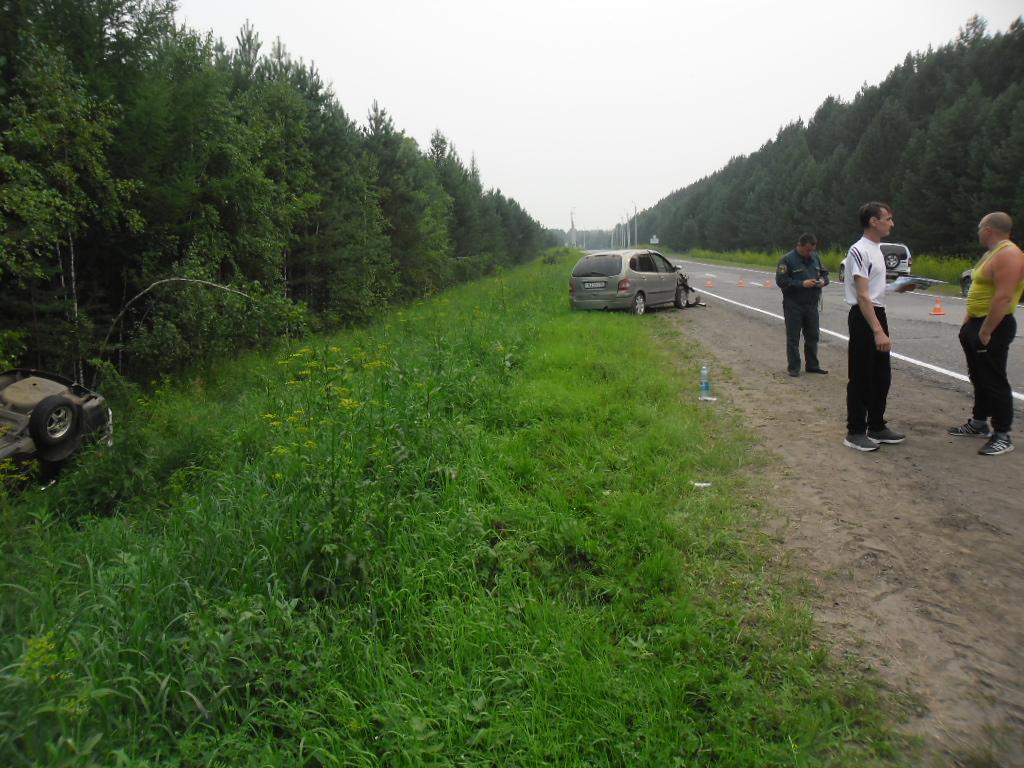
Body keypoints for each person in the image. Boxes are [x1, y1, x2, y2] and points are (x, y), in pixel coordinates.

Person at [947, 211, 1024, 455]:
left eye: (980, 228)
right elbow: (978, 291)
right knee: (978, 377)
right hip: (976, 324)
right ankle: (979, 423)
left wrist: (986, 331)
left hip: (994, 326)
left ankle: (1003, 434)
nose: (978, 232)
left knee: (994, 379)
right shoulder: (990, 254)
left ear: (989, 229)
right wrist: (967, 324)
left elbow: (1004, 296)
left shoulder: (1009, 254)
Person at [843, 202, 914, 452]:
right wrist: (877, 330)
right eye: (888, 219)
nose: (892, 223)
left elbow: (875, 288)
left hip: (877, 312)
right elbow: (863, 296)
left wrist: (899, 287)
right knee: (861, 375)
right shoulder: (858, 250)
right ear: (874, 221)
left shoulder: (877, 249)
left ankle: (876, 425)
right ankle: (855, 431)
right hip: (865, 317)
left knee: (881, 376)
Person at [777, 233, 829, 376]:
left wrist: (823, 281)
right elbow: (781, 281)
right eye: (807, 250)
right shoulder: (787, 260)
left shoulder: (815, 258)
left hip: (812, 304)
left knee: (813, 336)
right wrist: (801, 284)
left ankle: (812, 365)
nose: (809, 253)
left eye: (812, 250)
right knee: (793, 337)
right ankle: (794, 367)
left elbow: (825, 274)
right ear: (799, 245)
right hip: (793, 304)